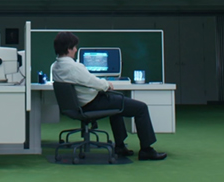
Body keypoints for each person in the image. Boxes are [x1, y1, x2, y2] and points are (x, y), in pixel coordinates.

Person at [50, 31, 167, 161]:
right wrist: (107, 85)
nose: (76, 50)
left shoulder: (55, 66)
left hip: (79, 105)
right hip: (91, 104)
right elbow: (93, 82)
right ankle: (146, 150)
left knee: (116, 106)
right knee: (141, 108)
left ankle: (120, 146)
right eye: (74, 47)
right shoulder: (74, 67)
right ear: (68, 49)